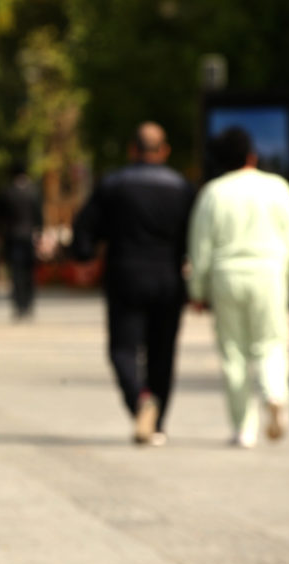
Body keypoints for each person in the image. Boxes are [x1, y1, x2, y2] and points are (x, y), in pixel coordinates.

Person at [187, 126, 289, 448]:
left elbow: (200, 247)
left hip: (226, 275)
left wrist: (198, 291)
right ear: (252, 156)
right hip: (269, 272)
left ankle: (243, 428)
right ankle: (274, 394)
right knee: (271, 343)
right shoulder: (277, 188)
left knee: (234, 352)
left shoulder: (213, 193)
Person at [71, 122, 195, 445]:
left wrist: (84, 257)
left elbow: (85, 226)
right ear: (164, 150)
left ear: (132, 149)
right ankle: (157, 424)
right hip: (169, 279)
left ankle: (140, 400)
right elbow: (196, 234)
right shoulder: (182, 188)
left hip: (125, 276)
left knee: (123, 350)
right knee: (163, 352)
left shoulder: (113, 184)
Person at [0, 161, 43, 320]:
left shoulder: (7, 192)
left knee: (16, 273)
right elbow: (38, 216)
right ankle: (29, 304)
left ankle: (19, 305)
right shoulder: (33, 192)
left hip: (12, 236)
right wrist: (39, 234)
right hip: (28, 236)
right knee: (29, 272)